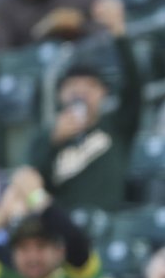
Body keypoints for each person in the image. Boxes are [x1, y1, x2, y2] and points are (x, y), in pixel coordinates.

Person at [27, 52, 142, 212]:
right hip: (63, 223)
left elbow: (135, 88)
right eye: (73, 85)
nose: (81, 92)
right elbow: (31, 184)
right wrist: (53, 141)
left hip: (109, 220)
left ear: (103, 92)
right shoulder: (45, 138)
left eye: (90, 85)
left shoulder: (117, 125)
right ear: (60, 94)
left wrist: (121, 41)